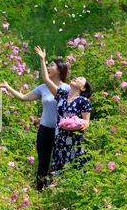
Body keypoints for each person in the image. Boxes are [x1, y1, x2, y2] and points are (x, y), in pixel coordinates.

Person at [0, 56, 70, 191]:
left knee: (58, 162)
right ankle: (40, 190)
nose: (49, 68)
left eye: (52, 66)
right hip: (44, 130)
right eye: (48, 65)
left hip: (60, 131)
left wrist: (42, 59)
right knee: (43, 161)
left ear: (60, 70)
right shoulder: (43, 88)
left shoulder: (66, 89)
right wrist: (8, 87)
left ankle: (57, 190)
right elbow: (24, 97)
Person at [34, 46, 92, 177]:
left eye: (80, 79)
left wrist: (79, 126)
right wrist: (42, 60)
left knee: (72, 168)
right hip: (59, 138)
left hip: (73, 140)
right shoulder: (62, 95)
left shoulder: (84, 101)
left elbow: (86, 122)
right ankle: (55, 193)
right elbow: (46, 80)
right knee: (58, 168)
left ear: (83, 88)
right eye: (76, 77)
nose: (77, 78)